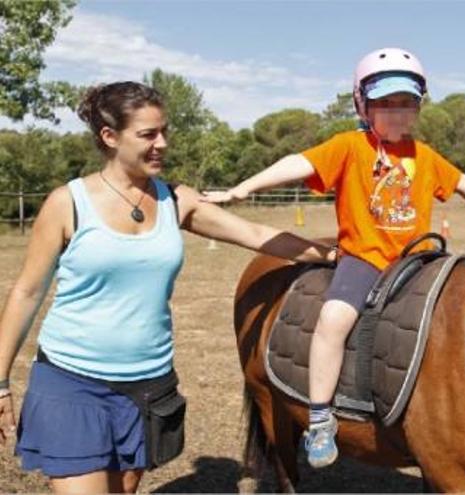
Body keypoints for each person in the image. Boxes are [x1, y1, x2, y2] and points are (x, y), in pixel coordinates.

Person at [0, 81, 333, 494]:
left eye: (164, 132)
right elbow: (27, 293)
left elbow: (254, 232)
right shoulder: (67, 203)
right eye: (147, 134)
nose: (162, 143)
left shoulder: (176, 199)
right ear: (109, 137)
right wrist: (0, 381)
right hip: (72, 382)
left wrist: (333, 255)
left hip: (147, 387)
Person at [203, 47, 465, 468]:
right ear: (362, 104)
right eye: (385, 103)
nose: (396, 113)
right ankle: (319, 420)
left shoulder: (423, 155)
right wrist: (242, 188)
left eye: (406, 103)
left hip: (419, 260)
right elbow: (296, 163)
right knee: (333, 321)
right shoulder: (349, 147)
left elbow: (461, 181)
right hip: (365, 259)